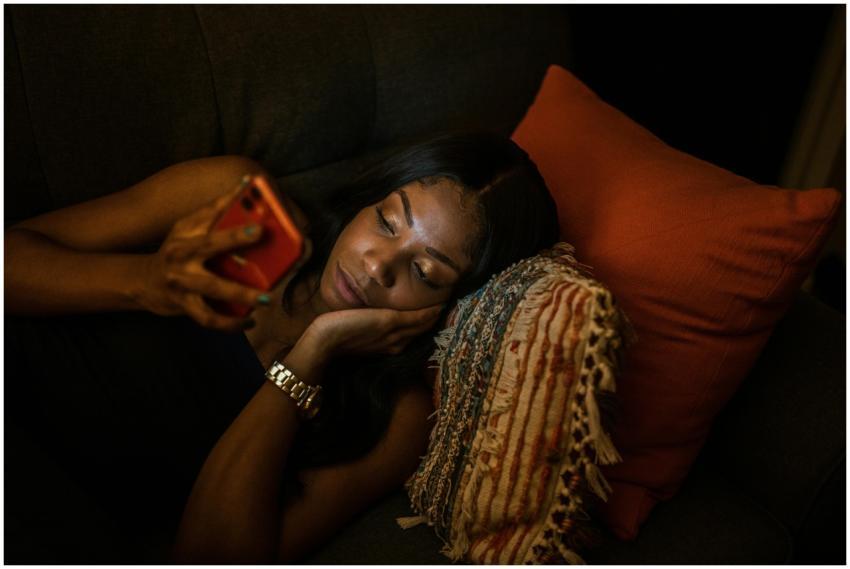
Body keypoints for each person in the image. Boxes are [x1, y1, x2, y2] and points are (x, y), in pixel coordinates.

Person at [4, 130, 559, 563]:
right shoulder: (245, 207)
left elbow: (210, 559)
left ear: (454, 307)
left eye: (423, 270)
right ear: (370, 199)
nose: (374, 263)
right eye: (388, 221)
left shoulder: (393, 416)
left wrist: (310, 355)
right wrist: (149, 282)